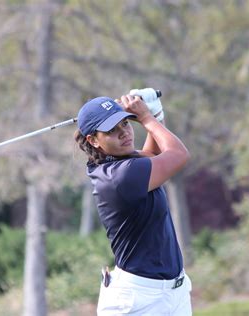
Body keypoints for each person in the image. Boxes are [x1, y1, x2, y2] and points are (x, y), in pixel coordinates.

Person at [74, 91, 192, 315]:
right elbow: (178, 155)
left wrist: (155, 112)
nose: (124, 134)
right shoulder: (119, 177)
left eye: (126, 123)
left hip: (171, 293)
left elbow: (150, 153)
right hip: (138, 301)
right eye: (111, 130)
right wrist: (147, 118)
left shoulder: (121, 164)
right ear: (93, 140)